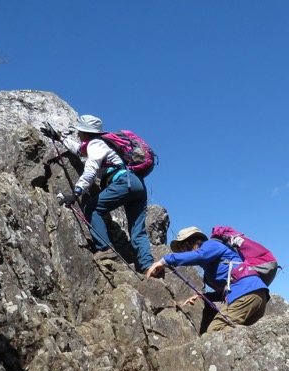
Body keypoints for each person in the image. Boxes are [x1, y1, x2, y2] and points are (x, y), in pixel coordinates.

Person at [56, 114, 154, 272]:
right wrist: (61, 139)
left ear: (85, 132)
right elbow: (80, 151)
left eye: (79, 132)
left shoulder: (95, 144)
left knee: (92, 208)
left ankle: (105, 249)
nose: (78, 135)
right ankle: (148, 266)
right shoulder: (104, 144)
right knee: (137, 229)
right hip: (137, 183)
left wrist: (76, 194)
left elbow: (90, 171)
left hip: (123, 182)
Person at [146, 226, 269, 332]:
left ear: (192, 241)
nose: (183, 251)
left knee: (215, 331)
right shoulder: (211, 267)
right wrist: (204, 297)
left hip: (246, 293)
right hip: (255, 295)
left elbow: (199, 255)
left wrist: (165, 260)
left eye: (183, 247)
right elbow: (227, 289)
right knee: (237, 332)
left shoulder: (211, 245)